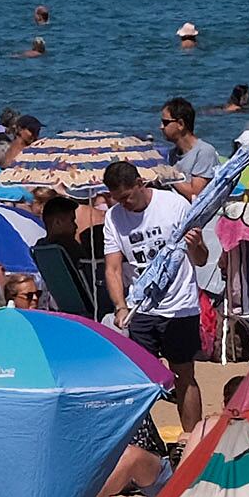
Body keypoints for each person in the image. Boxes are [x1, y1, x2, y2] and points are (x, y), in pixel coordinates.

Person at [100, 155, 208, 431]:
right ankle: (142, 440)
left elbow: (202, 258)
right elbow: (113, 268)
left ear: (139, 183)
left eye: (126, 197)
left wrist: (194, 245)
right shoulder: (113, 217)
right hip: (143, 307)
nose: (123, 204)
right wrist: (120, 306)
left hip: (179, 305)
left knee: (184, 373)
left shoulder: (173, 205)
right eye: (116, 199)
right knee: (140, 378)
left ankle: (192, 439)